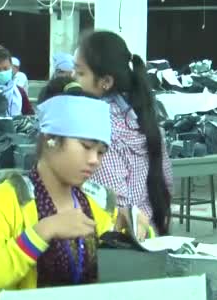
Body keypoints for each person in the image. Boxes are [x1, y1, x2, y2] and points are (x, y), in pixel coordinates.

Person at [0, 85, 150, 300]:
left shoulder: (98, 203)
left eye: (100, 152)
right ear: (50, 139)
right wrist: (41, 232)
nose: (94, 160)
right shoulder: (3, 201)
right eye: (86, 146)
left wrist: (137, 232)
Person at [74, 31, 173, 236]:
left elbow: (112, 205)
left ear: (105, 82)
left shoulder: (98, 124)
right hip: (150, 233)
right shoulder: (140, 114)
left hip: (118, 239)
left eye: (80, 73)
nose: (72, 77)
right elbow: (167, 185)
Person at [0, 45, 33, 116]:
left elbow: (30, 115)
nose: (2, 72)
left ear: (11, 66)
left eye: (5, 68)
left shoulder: (19, 91)